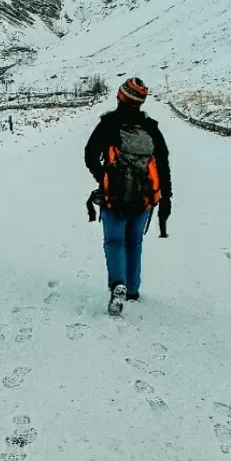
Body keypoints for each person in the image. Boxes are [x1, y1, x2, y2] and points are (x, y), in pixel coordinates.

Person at [84, 76, 172, 315]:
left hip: (114, 196)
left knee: (114, 241)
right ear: (141, 102)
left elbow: (90, 155)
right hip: (144, 198)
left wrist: (104, 177)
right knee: (134, 242)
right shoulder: (152, 128)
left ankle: (117, 284)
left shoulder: (108, 124)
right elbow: (163, 165)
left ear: (120, 96)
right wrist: (166, 199)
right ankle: (132, 289)